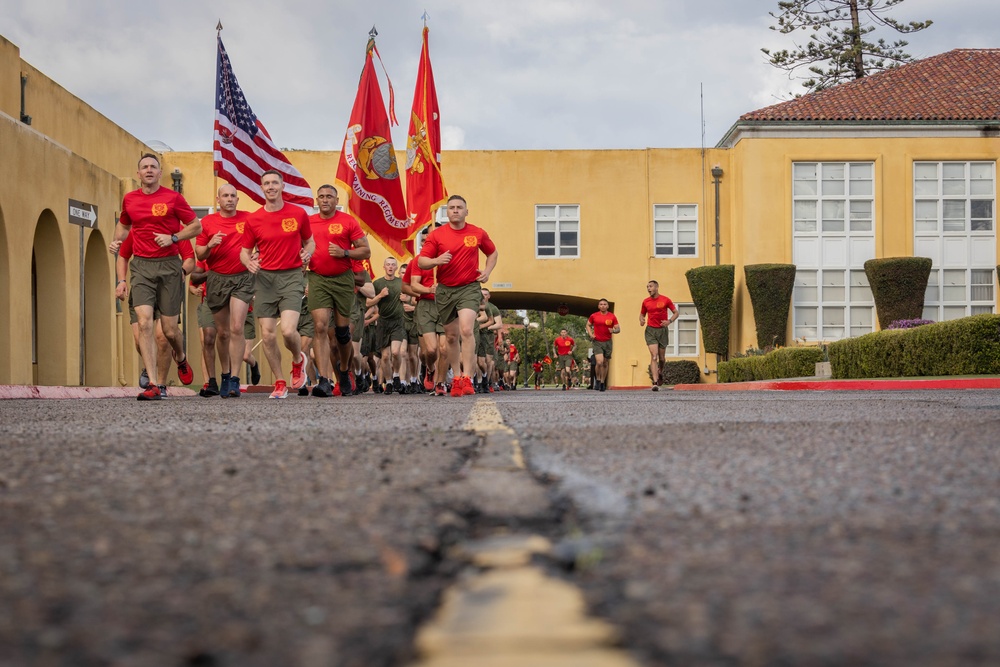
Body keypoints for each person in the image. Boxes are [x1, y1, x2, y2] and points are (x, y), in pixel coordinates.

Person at [113, 153, 201, 400]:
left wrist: (174, 237)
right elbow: (123, 225)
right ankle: (153, 384)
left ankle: (181, 358)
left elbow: (196, 226)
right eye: (144, 167)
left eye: (153, 166)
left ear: (160, 172)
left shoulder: (173, 198)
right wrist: (116, 241)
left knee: (170, 331)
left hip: (169, 266)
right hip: (141, 267)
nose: (149, 170)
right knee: (144, 323)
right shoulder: (130, 199)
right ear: (138, 173)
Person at [240, 169, 315, 399]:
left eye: (275, 183)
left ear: (282, 186)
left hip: (292, 275)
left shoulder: (298, 214)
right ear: (261, 188)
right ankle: (280, 382)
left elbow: (310, 242)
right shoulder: (253, 219)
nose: (271, 186)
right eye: (266, 183)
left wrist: (307, 253)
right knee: (268, 334)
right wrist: (249, 264)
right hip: (264, 279)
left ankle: (297, 359)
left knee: (288, 330)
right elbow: (245, 252)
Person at [418, 195, 498, 397]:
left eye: (459, 207)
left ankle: (468, 378)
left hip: (469, 287)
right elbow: (422, 262)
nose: (455, 210)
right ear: (447, 212)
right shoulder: (437, 235)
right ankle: (456, 377)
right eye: (451, 207)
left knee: (466, 329)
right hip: (445, 289)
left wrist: (487, 272)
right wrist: (437, 260)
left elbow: (493, 253)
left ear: (466, 211)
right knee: (451, 336)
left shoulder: (477, 232)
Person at [306, 185, 371, 397]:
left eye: (329, 197)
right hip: (317, 278)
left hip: (343, 280)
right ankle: (324, 379)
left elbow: (365, 250)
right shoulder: (308, 222)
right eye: (322, 196)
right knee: (320, 327)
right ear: (317, 200)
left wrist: (345, 252)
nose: (325, 200)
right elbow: (298, 245)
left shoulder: (348, 221)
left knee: (343, 334)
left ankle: (344, 370)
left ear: (336, 200)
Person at [195, 184, 254, 398]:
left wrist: (259, 256)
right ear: (218, 200)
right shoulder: (208, 222)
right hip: (217, 279)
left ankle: (236, 380)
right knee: (223, 333)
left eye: (233, 196)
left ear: (238, 200)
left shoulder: (248, 218)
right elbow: (200, 255)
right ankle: (225, 375)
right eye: (225, 196)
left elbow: (264, 239)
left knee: (237, 327)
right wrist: (210, 244)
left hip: (242, 279)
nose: (229, 199)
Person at [369, 257, 406, 394]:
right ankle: (389, 382)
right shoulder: (377, 283)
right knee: (385, 356)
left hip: (397, 322)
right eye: (388, 265)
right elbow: (368, 302)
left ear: (396, 268)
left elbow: (412, 299)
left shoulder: (401, 282)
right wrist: (380, 295)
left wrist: (406, 298)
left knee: (396, 352)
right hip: (383, 322)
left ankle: (396, 375)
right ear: (384, 267)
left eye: (393, 265)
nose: (390, 267)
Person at [639, 279, 678, 391]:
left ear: (656, 287)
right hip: (651, 330)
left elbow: (676, 313)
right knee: (654, 356)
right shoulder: (645, 301)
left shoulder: (665, 300)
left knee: (661, 358)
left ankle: (660, 370)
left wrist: (669, 321)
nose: (648, 289)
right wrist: (641, 320)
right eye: (647, 287)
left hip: (662, 330)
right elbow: (641, 314)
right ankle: (655, 382)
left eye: (650, 286)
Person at [586, 298, 620, 392]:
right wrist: (591, 334)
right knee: (599, 362)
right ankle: (597, 379)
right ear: (598, 306)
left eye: (605, 304)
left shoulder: (612, 316)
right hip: (597, 341)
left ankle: (602, 382)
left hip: (608, 342)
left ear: (607, 306)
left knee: (605, 363)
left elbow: (618, 329)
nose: (603, 306)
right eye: (601, 304)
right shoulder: (594, 316)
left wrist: (613, 330)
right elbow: (588, 325)